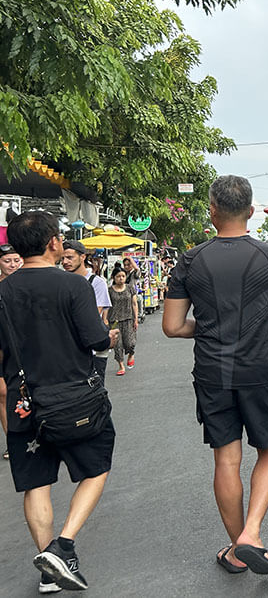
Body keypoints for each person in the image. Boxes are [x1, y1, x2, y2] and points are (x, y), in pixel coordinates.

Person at [163, 176, 268, 575]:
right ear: (252, 210)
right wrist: (260, 319)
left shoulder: (190, 259)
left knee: (226, 460)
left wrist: (211, 324)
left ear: (211, 211)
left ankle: (236, 548)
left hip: (212, 373)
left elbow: (172, 326)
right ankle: (252, 534)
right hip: (259, 371)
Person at [0, 211, 119, 592]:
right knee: (96, 468)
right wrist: (110, 338)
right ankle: (63, 544)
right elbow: (96, 340)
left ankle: (49, 568)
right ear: (53, 242)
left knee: (37, 484)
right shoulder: (73, 286)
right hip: (73, 401)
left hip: (23, 402)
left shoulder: (2, 291)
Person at [62, 240, 113, 378]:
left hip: (93, 350)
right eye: (62, 258)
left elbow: (93, 316)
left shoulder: (96, 283)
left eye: (70, 257)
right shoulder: (62, 282)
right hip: (68, 350)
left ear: (82, 257)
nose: (65, 262)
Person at [0, 243, 22, 461]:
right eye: (7, 261)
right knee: (3, 393)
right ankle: (12, 440)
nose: (12, 265)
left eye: (16, 260)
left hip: (24, 348)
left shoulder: (25, 286)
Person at [108, 267, 139, 376]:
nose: (121, 278)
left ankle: (131, 353)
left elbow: (134, 304)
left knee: (130, 343)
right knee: (118, 345)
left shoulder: (130, 288)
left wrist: (136, 319)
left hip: (128, 319)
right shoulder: (110, 290)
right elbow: (106, 306)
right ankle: (121, 366)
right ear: (113, 277)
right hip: (114, 321)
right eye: (118, 276)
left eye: (123, 276)